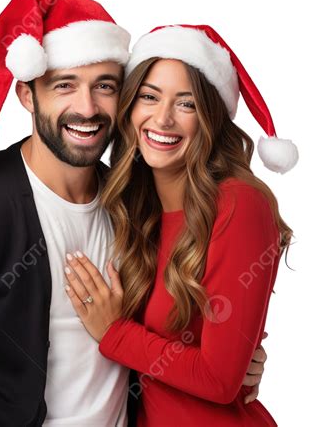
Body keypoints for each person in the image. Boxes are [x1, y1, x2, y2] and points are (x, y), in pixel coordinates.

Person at [0, 0, 267, 425]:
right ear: (27, 95)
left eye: (104, 86)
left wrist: (233, 359)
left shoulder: (132, 200)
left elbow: (169, 326)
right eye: (65, 85)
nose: (87, 107)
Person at [62, 24, 298, 426]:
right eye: (149, 97)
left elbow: (220, 381)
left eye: (186, 104)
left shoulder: (238, 204)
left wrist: (115, 333)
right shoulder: (132, 208)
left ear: (210, 118)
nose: (163, 118)